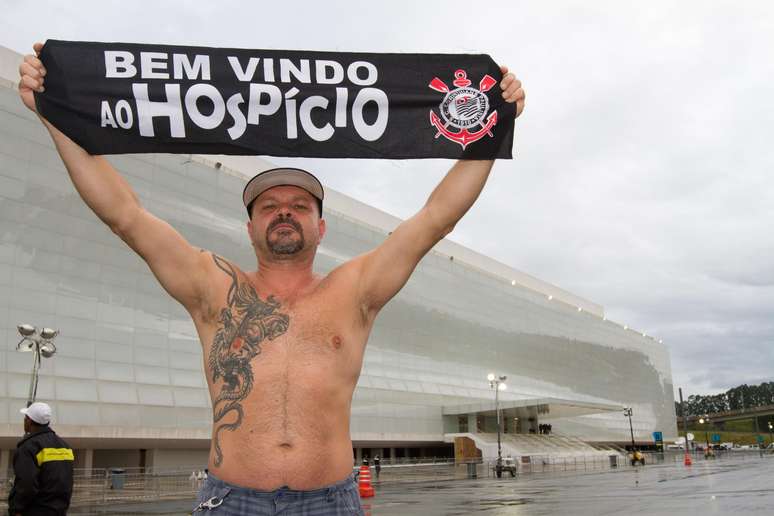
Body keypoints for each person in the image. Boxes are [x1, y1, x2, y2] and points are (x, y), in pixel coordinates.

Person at [18, 41, 525, 515]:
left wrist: (491, 124)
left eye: (299, 206)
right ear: (251, 226)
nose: (284, 212)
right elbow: (124, 214)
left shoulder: (354, 291)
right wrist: (54, 115)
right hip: (231, 499)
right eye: (269, 206)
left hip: (330, 501)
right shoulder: (213, 287)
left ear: (320, 226)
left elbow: (437, 217)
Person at [8, 402, 74, 516]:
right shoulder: (65, 446)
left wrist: (17, 509)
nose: (24, 420)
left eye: (25, 417)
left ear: (29, 421)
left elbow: (26, 484)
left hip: (35, 510)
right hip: (59, 510)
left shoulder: (28, 447)